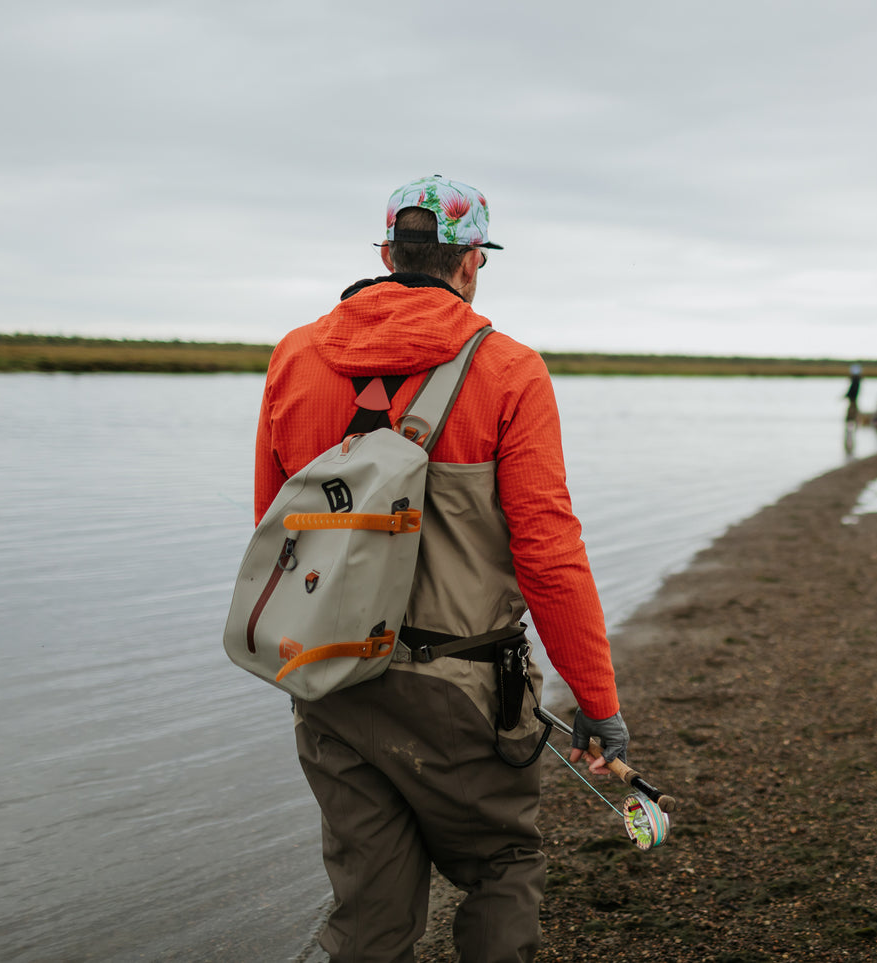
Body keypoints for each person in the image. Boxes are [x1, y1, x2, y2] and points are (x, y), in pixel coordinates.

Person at [253, 174, 628, 962]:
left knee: (370, 908)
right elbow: (549, 553)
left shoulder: (294, 356)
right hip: (462, 688)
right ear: (470, 264)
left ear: (389, 253)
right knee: (501, 864)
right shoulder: (511, 370)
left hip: (327, 676)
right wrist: (597, 702)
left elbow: (272, 531)